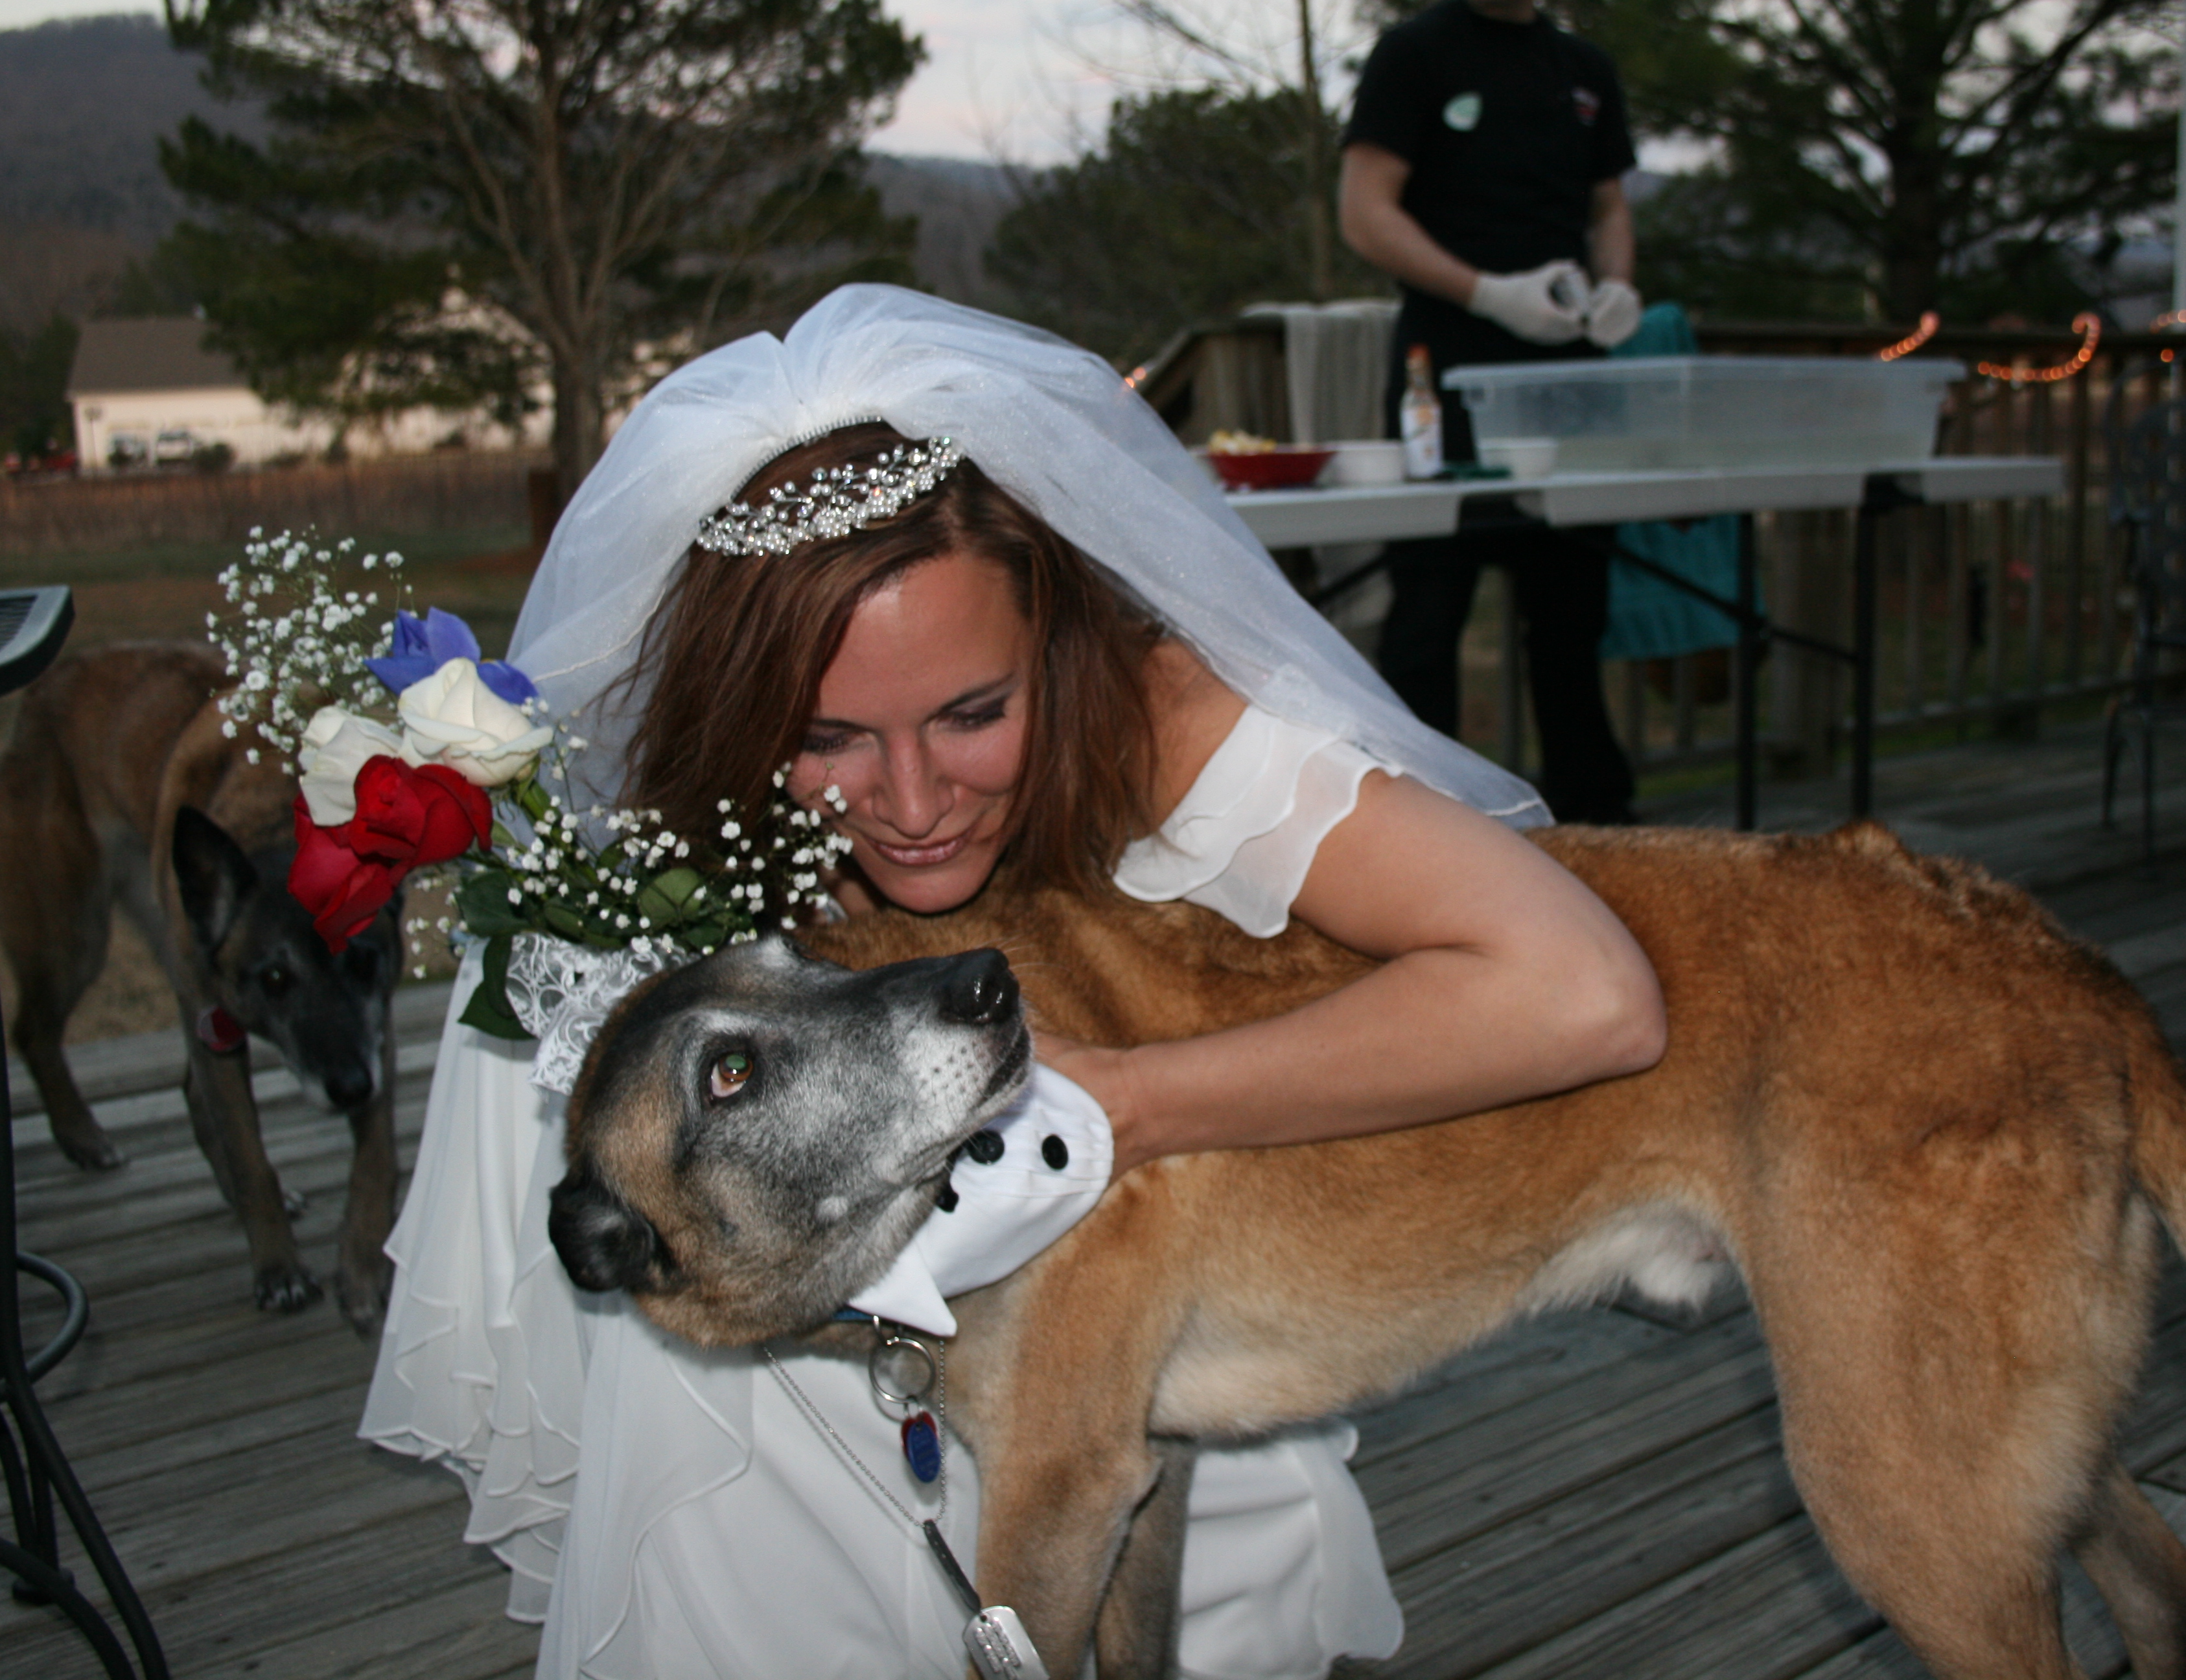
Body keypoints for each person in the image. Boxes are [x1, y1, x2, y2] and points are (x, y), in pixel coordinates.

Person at [360, 284, 1666, 1679]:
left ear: (1055, 642)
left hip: (1123, 1351)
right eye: (831, 737)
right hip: (787, 1407)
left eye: (975, 715)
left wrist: (1132, 1102)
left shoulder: (1165, 715)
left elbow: (1587, 991)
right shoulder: (681, 828)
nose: (913, 802)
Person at [1338, 0, 1645, 822]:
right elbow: (1365, 210)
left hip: (1570, 382)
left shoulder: (1586, 71)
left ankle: (1599, 824)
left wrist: (1617, 287)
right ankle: (1421, 827)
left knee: (1572, 623)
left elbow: (1609, 205)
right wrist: (1484, 292)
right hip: (1445, 370)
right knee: (1428, 618)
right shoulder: (1415, 54)